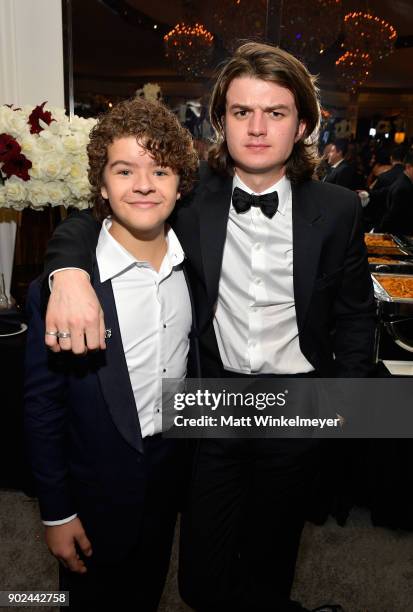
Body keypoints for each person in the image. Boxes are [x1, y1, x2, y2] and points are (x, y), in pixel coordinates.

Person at [41, 42, 375, 612]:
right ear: (221, 121)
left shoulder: (338, 208)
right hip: (212, 395)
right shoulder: (192, 196)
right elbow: (96, 213)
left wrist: (346, 413)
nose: (258, 128)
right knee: (200, 574)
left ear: (302, 127)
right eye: (242, 112)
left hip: (298, 397)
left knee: (271, 555)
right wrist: (66, 271)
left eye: (276, 113)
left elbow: (353, 317)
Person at [24, 97, 198, 610]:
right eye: (124, 171)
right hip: (93, 484)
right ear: (101, 185)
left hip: (167, 472)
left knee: (147, 589)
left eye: (160, 170)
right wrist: (55, 512)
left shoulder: (196, 266)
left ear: (180, 184)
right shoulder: (63, 291)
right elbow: (42, 408)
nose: (143, 185)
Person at [377, 150, 413, 234]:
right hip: (399, 234)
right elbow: (392, 215)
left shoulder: (403, 180)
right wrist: (379, 231)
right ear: (408, 167)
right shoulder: (404, 187)